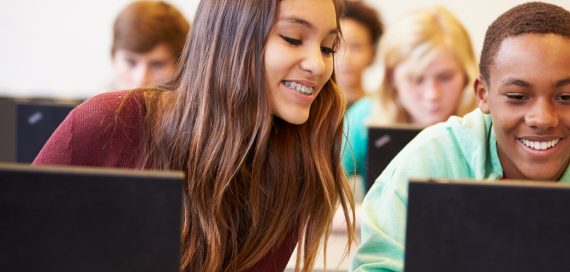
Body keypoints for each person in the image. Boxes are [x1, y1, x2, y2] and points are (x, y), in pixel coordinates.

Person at [34, 0, 355, 271]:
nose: (318, 64)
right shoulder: (108, 122)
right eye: (293, 38)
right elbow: (17, 242)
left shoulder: (300, 156)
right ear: (230, 37)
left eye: (328, 47)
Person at [349, 2, 570, 271]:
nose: (542, 119)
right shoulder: (429, 161)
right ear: (482, 95)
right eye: (517, 96)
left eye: (565, 97)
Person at [342, 6, 478, 180]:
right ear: (392, 77)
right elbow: (319, 195)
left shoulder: (489, 126)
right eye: (416, 79)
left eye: (445, 77)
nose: (432, 95)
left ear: (466, 75)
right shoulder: (364, 117)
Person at [111, 1, 190, 91]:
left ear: (181, 67)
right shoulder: (93, 103)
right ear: (113, 58)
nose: (141, 80)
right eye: (130, 62)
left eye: (157, 64)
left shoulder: (201, 104)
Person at [334, 0, 383, 105]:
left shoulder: (380, 109)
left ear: (373, 53)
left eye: (355, 46)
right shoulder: (313, 107)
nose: (345, 57)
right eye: (336, 45)